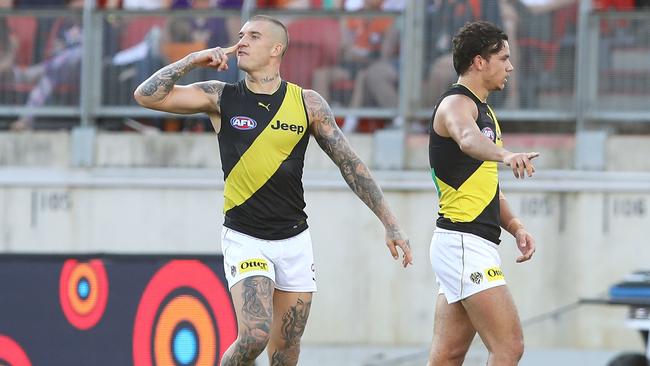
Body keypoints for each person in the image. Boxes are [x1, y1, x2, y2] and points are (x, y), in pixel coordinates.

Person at [134, 14, 413, 366]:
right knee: (254, 336)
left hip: (294, 239)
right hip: (245, 235)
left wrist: (390, 221)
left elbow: (350, 163)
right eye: (240, 35)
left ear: (276, 49)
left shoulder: (307, 103)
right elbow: (146, 96)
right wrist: (192, 59)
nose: (241, 42)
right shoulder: (221, 96)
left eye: (253, 36)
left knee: (286, 351)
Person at [427, 21, 538, 366]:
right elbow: (467, 139)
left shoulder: (485, 111)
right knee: (509, 347)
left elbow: (486, 185)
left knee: (448, 356)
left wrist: (517, 227)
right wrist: (506, 154)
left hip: (466, 243)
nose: (510, 66)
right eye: (503, 58)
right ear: (479, 61)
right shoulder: (457, 105)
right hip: (464, 243)